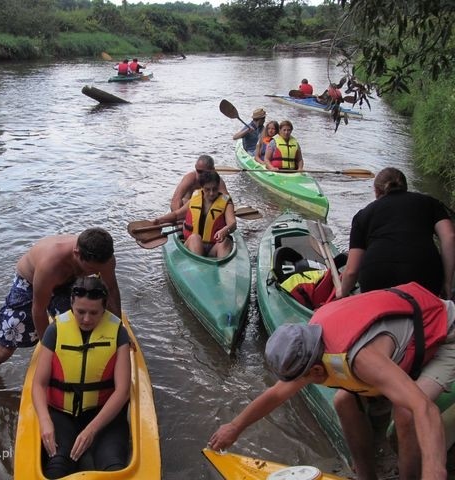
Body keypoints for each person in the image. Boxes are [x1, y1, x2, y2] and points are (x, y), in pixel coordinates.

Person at [209, 282, 455, 480]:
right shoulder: (312, 347)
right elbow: (275, 395)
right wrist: (235, 427)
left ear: (316, 370)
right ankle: (366, 475)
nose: (295, 385)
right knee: (342, 400)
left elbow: (424, 408)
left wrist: (434, 471)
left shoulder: (363, 359)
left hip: (444, 335)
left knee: (405, 413)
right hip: (403, 346)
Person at [0, 228, 122, 376]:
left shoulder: (106, 259)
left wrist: (119, 330)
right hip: (31, 284)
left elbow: (111, 289)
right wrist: (49, 351)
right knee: (6, 347)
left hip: (69, 282)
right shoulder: (50, 264)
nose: (96, 272)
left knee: (82, 324)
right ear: (77, 254)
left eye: (99, 269)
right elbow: (38, 310)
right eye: (91, 269)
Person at [32, 275, 131, 478]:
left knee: (114, 468)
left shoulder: (118, 332)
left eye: (94, 313)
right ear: (71, 305)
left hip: (104, 415)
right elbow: (39, 384)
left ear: (104, 308)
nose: (86, 319)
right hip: (61, 415)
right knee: (56, 467)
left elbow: (122, 391)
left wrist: (91, 430)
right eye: (80, 312)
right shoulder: (55, 331)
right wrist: (44, 421)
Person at [339, 167, 455, 300]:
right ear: (405, 187)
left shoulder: (363, 215)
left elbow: (352, 271)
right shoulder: (431, 203)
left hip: (376, 280)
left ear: (376, 191)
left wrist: (342, 292)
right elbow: (450, 237)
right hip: (425, 278)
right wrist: (447, 283)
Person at [155, 171, 236, 258]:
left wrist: (225, 230)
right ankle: (199, 267)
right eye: (207, 189)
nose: (212, 193)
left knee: (225, 242)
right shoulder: (195, 199)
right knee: (195, 238)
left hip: (213, 248)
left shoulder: (226, 203)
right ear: (202, 187)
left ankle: (223, 269)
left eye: (215, 189)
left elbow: (232, 223)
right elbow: (177, 215)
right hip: (193, 246)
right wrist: (159, 220)